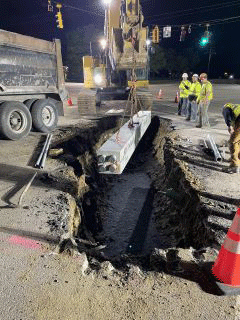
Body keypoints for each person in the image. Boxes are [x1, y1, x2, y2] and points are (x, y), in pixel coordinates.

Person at [222, 103, 240, 173]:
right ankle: (237, 159)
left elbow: (228, 116)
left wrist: (230, 126)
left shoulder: (226, 108)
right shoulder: (236, 108)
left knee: (233, 142)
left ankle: (235, 165)